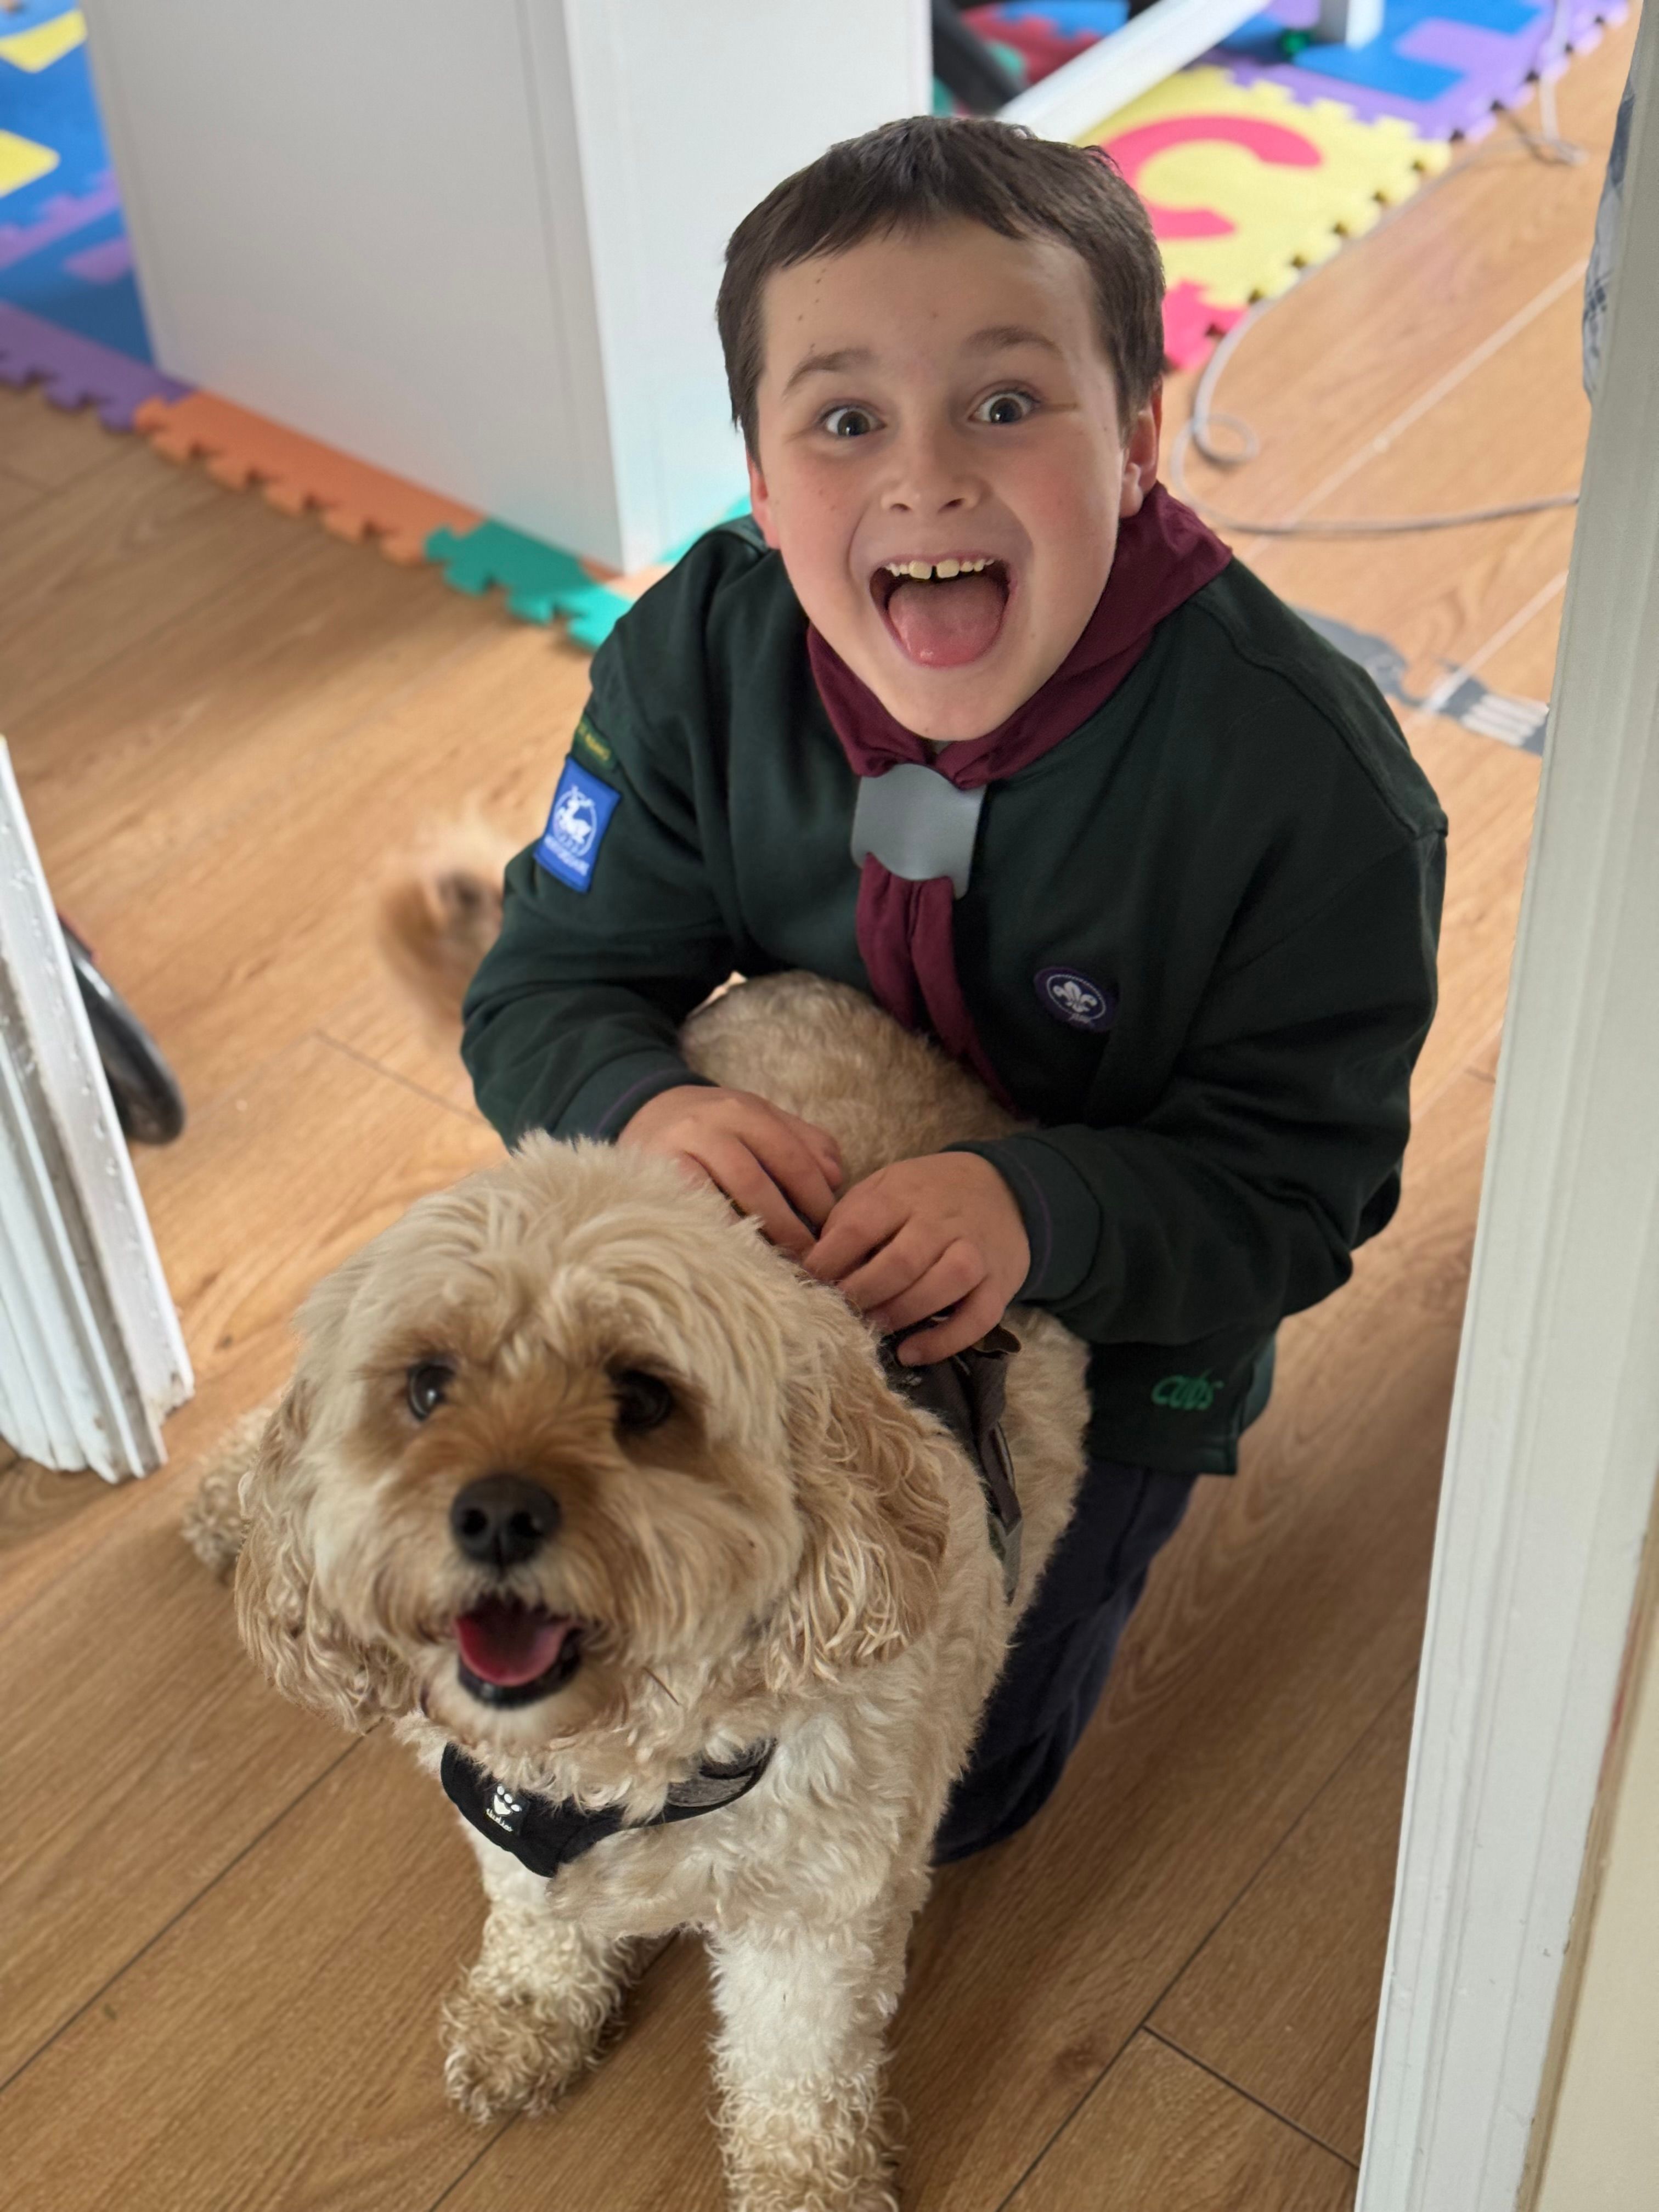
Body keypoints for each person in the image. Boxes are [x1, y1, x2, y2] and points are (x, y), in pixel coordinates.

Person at [461, 116, 1445, 1861]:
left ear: (1134, 442)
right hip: (797, 1254)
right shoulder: (699, 656)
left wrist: (1036, 1209)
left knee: (957, 1788)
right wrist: (644, 1104)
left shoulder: (1311, 795)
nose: (925, 479)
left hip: (1129, 1323)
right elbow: (548, 985)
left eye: (1005, 403)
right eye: (846, 422)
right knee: (657, 1652)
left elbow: (1301, 1196)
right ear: (762, 487)